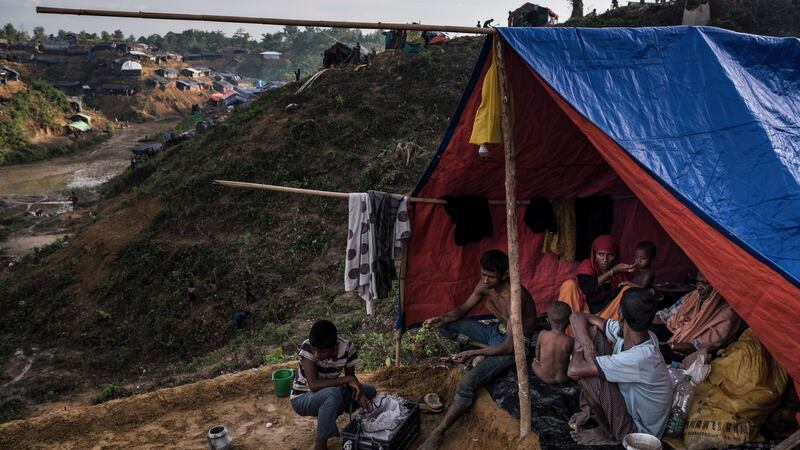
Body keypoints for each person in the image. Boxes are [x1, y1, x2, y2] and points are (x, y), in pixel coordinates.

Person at [418, 249, 538, 449]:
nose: (486, 280)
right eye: (483, 274)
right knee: (446, 326)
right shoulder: (484, 286)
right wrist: (442, 318)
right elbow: (463, 310)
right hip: (496, 332)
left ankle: (439, 432)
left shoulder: (514, 297)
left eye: (491, 276)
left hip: (514, 345)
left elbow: (510, 345)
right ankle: (485, 348)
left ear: (505, 274)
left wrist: (474, 353)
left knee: (469, 381)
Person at [567, 288, 672, 445]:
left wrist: (582, 351)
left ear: (621, 315)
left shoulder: (639, 357)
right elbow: (577, 316)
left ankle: (608, 433)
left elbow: (573, 371)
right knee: (590, 332)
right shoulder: (638, 335)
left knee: (589, 376)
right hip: (628, 410)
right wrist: (588, 347)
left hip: (636, 432)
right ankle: (589, 410)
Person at [290, 320, 375, 450]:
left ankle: (362, 426)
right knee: (332, 395)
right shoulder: (307, 346)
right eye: (315, 350)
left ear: (334, 346)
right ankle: (320, 445)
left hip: (330, 392)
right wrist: (346, 379)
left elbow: (350, 381)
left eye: (322, 351)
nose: (317, 355)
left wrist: (359, 393)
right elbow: (313, 385)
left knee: (370, 391)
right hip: (302, 397)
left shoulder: (347, 348)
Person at [652, 271, 742, 361]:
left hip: (691, 353)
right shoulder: (695, 295)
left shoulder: (728, 316)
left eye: (704, 283)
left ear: (718, 287)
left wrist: (669, 346)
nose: (698, 287)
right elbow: (668, 313)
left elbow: (700, 346)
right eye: (697, 282)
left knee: (657, 355)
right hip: (676, 335)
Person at [559, 235, 633, 321]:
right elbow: (587, 288)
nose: (605, 259)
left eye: (610, 255)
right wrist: (612, 272)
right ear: (594, 254)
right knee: (569, 285)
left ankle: (605, 329)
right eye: (600, 254)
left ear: (616, 256)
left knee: (627, 290)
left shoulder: (621, 269)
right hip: (582, 310)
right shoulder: (587, 266)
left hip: (606, 315)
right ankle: (571, 328)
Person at [532, 302, 574, 384]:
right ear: (569, 322)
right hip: (562, 378)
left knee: (534, 364)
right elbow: (574, 359)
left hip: (544, 376)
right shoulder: (570, 341)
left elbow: (537, 351)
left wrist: (537, 361)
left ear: (547, 320)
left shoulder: (542, 334)